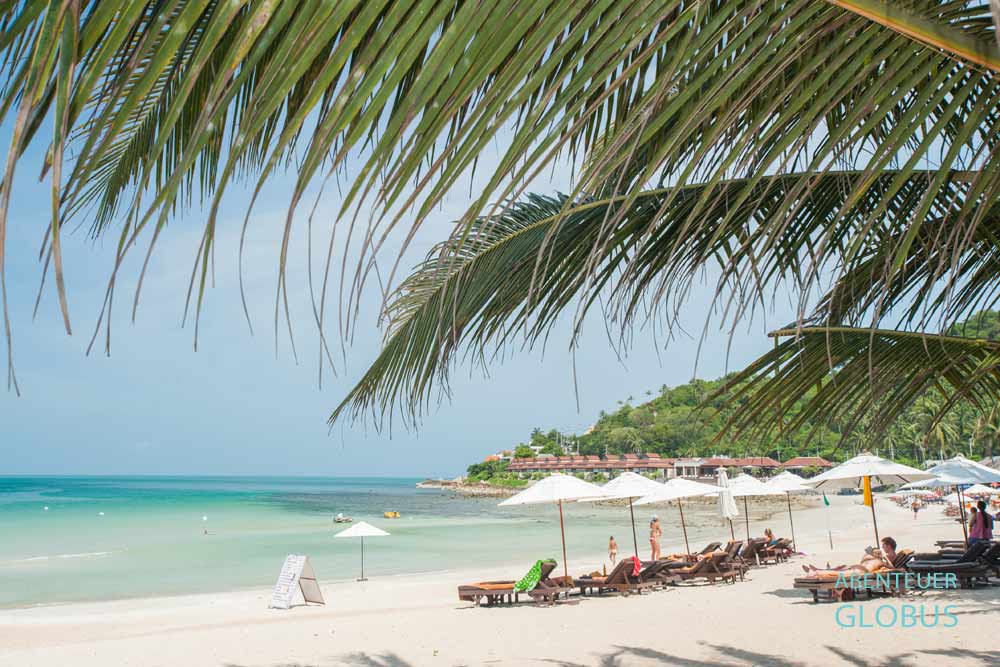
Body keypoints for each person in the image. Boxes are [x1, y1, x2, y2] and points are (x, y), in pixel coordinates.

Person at [801, 537, 899, 576]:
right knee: (841, 568)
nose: (882, 548)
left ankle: (817, 572)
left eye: (883, 546)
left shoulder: (889, 556)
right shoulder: (881, 559)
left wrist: (882, 558)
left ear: (889, 546)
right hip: (861, 567)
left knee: (839, 572)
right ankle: (818, 570)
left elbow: (892, 567)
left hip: (861, 570)